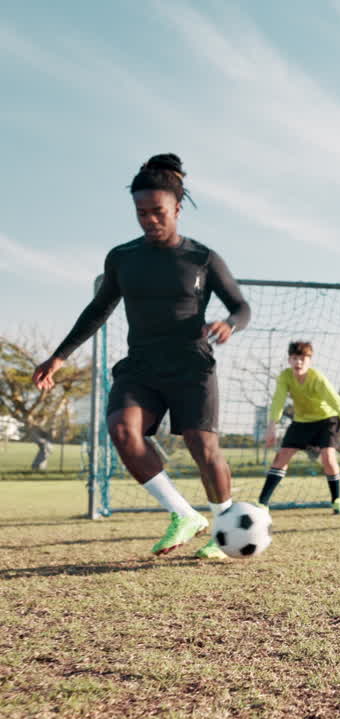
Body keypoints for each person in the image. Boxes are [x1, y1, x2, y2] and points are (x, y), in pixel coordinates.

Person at [32, 154, 249, 560]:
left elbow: (241, 307)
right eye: (141, 212)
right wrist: (59, 356)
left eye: (157, 211)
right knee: (121, 430)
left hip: (191, 366)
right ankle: (183, 514)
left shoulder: (201, 258)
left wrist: (229, 324)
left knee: (203, 448)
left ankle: (224, 528)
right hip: (142, 366)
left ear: (177, 209)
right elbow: (99, 309)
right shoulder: (122, 258)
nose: (149, 220)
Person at [258, 341, 340, 514]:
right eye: (294, 358)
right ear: (289, 360)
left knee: (328, 458)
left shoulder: (318, 379)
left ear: (309, 361)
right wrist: (272, 426)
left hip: (327, 420)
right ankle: (262, 503)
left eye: (302, 359)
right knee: (282, 456)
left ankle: (337, 501)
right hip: (301, 421)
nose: (298, 362)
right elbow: (278, 401)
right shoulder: (285, 377)